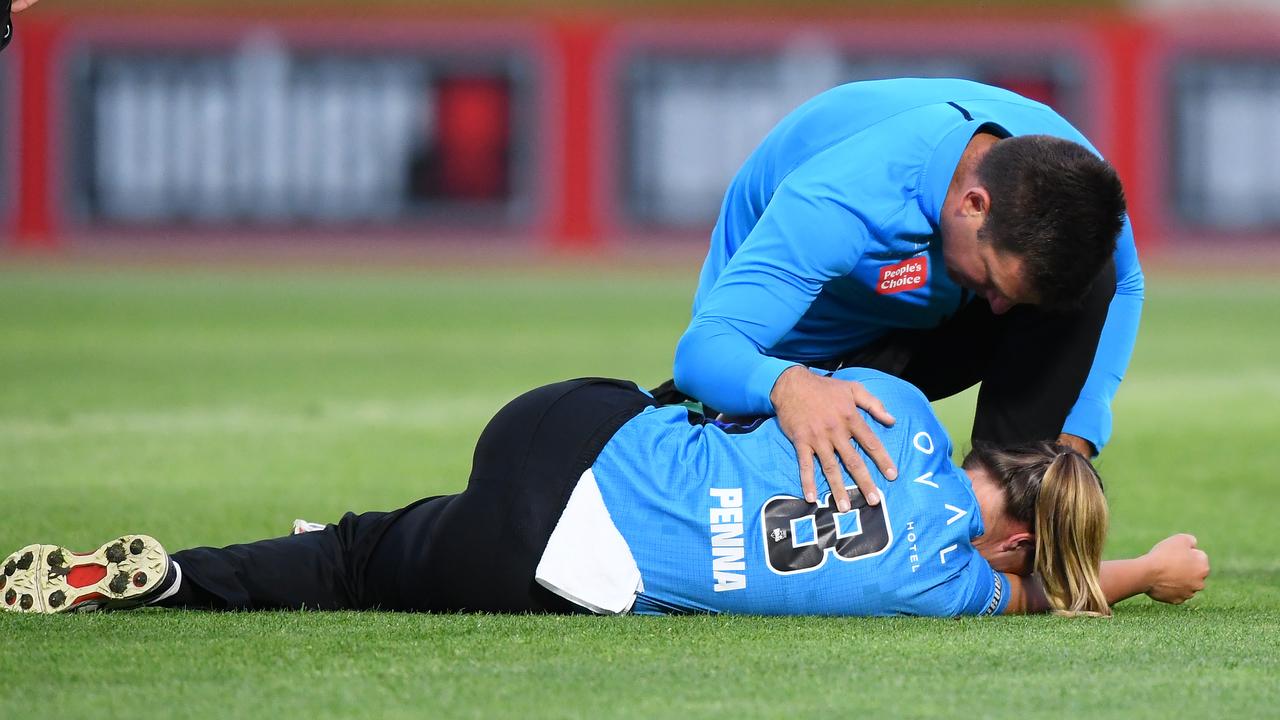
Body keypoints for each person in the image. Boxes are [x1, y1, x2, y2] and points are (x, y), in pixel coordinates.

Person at [2, 371, 1206, 618]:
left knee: (395, 539)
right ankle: (182, 583)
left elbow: (740, 379)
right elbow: (1063, 589)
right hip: (555, 565)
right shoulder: (953, 590)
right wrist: (1151, 570)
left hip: (567, 422)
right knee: (362, 569)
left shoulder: (894, 407)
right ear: (1013, 548)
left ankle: (192, 568)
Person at [663, 78, 1142, 516]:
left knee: (1084, 284)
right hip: (801, 353)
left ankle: (996, 498)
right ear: (974, 206)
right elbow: (703, 352)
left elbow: (1125, 282)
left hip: (921, 322)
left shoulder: (1068, 177)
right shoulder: (841, 202)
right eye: (994, 281)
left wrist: (1075, 435)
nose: (999, 310)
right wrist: (790, 386)